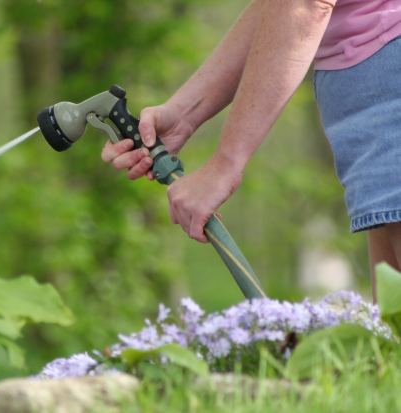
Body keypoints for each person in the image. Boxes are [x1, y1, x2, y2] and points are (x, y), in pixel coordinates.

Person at [100, 0, 401, 300]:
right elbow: (277, 8)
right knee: (391, 332)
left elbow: (304, 5)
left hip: (389, 95)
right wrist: (183, 115)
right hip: (374, 106)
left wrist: (225, 165)